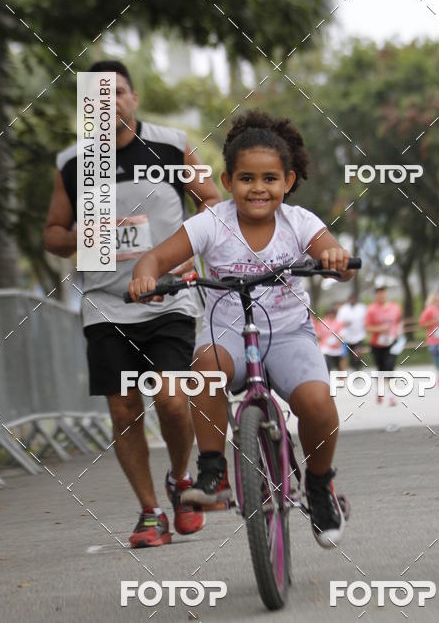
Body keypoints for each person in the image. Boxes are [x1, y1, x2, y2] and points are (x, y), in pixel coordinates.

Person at [129, 110, 357, 548]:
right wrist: (145, 275)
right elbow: (154, 258)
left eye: (270, 178)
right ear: (228, 180)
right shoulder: (211, 223)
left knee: (317, 403)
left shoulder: (299, 222)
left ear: (288, 181)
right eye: (246, 178)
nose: (258, 188)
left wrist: (335, 261)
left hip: (288, 334)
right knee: (206, 366)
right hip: (229, 335)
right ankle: (213, 472)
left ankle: (319, 483)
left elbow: (334, 254)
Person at [44, 60, 221, 548]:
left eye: (117, 92)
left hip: (169, 296)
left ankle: (181, 479)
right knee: (123, 410)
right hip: (105, 303)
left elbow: (212, 202)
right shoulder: (72, 162)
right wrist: (77, 236)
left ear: (133, 98)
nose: (109, 102)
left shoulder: (171, 143)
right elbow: (53, 234)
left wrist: (186, 252)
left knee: (170, 397)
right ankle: (149, 512)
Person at [364, 280, 403, 405]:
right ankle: (380, 391)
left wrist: (398, 331)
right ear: (375, 295)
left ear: (386, 294)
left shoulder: (395, 307)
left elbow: (399, 322)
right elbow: (367, 328)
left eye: (383, 293)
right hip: (377, 344)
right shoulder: (371, 310)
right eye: (378, 293)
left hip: (392, 342)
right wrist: (380, 329)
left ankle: (391, 396)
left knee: (390, 367)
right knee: (381, 369)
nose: (381, 295)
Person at [336, 293, 367, 370]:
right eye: (351, 299)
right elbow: (338, 322)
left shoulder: (362, 308)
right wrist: (345, 323)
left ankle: (358, 367)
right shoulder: (343, 309)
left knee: (358, 353)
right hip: (347, 337)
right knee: (351, 355)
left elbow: (366, 319)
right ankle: (354, 368)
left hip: (359, 336)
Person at [313, 306, 346, 372]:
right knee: (326, 363)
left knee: (340, 365)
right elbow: (318, 334)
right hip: (325, 347)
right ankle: (327, 377)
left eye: (333, 313)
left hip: (337, 348)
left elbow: (342, 335)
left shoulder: (339, 323)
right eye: (329, 313)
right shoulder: (322, 323)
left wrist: (336, 338)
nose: (331, 315)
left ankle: (341, 379)